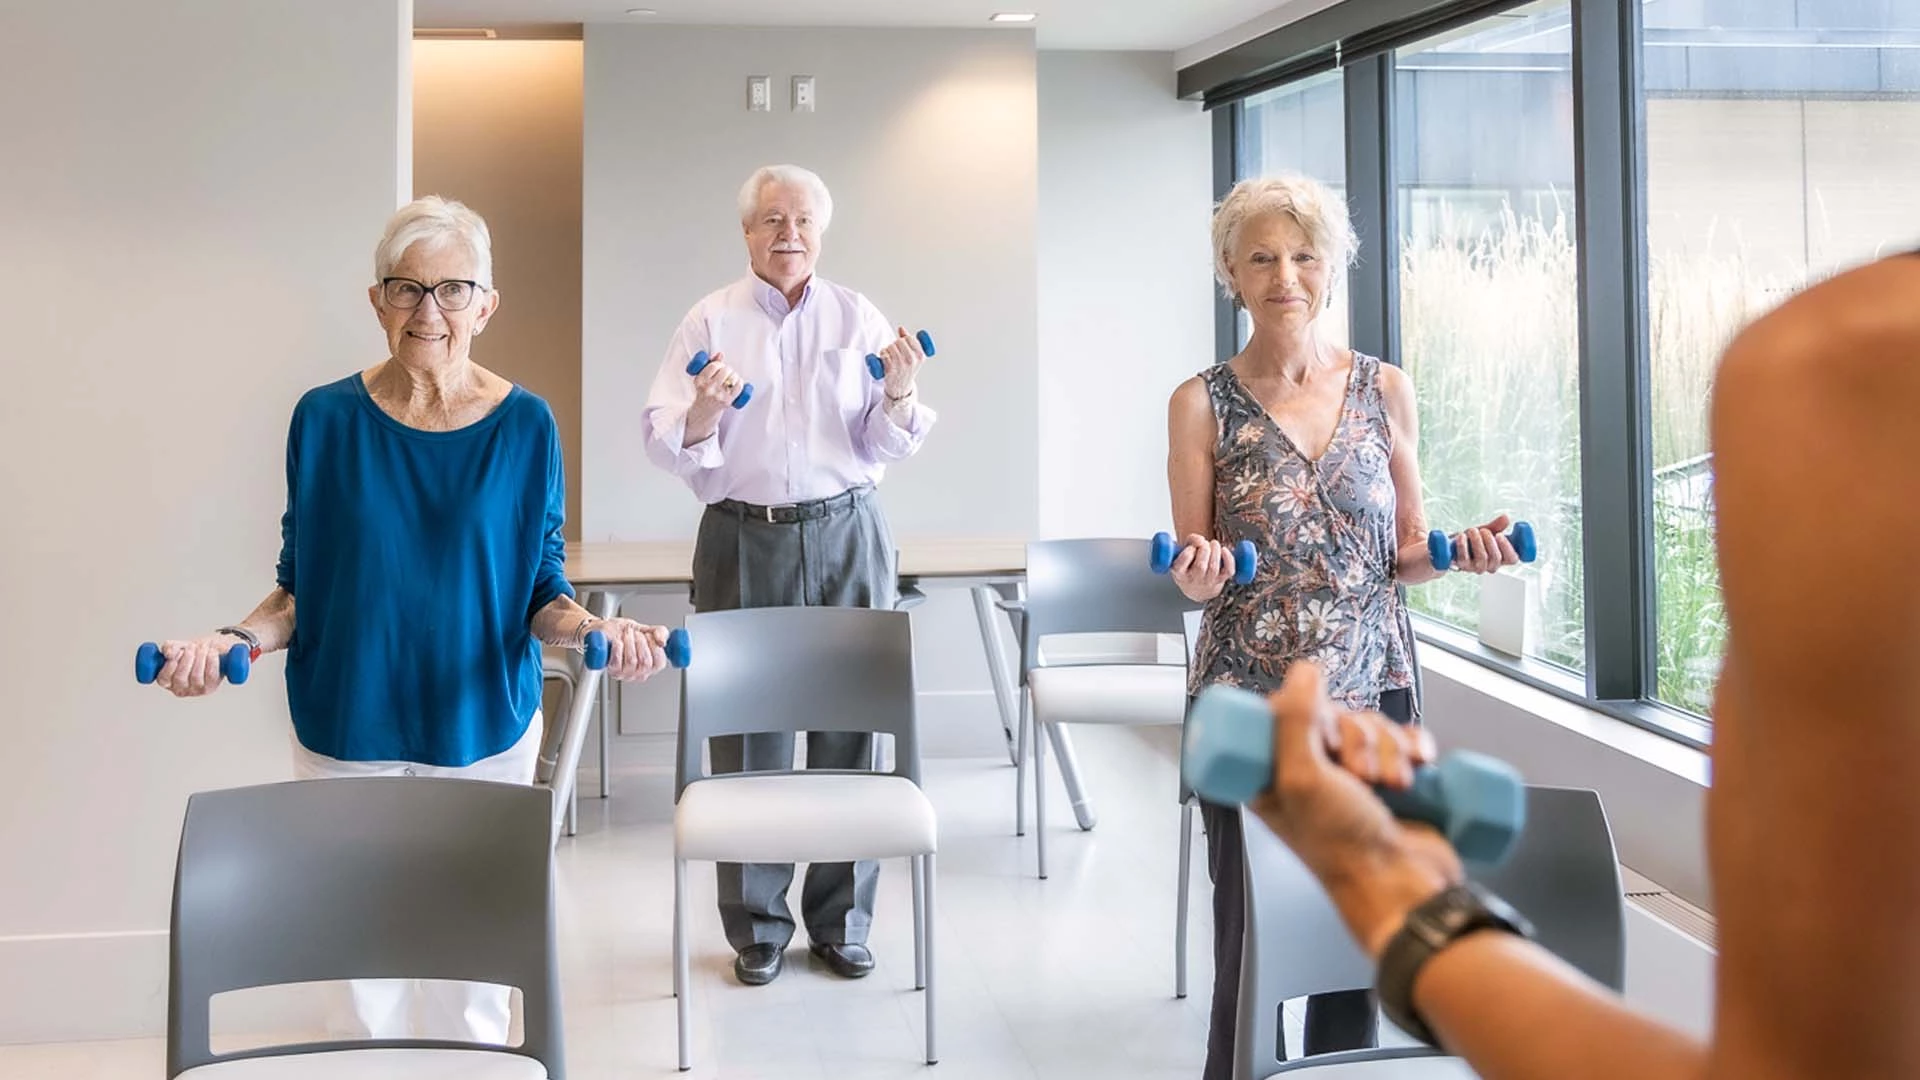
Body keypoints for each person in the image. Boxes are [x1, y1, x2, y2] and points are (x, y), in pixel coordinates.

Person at [1237, 251, 1920, 1078]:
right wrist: (1398, 896)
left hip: (1372, 672)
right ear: (1232, 273)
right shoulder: (1836, 361)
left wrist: (1397, 901)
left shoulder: (1845, 361)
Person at [145, 195, 674, 1043]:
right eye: (407, 288)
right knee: (358, 988)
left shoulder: (527, 425)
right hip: (345, 730)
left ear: (486, 306)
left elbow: (542, 588)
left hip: (483, 734)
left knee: (471, 982)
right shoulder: (322, 419)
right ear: (376, 301)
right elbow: (297, 587)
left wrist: (596, 633)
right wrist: (233, 641)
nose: (429, 312)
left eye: (453, 290)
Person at [1166, 173, 1518, 1079]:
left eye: (1304, 254)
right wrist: (1195, 573)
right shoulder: (1200, 402)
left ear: (1331, 268)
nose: (1286, 274)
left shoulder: (1384, 389)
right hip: (1247, 705)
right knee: (1249, 932)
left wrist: (1457, 554)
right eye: (1261, 258)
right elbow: (1199, 573)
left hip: (1374, 697)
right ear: (1231, 276)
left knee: (1358, 931)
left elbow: (1404, 552)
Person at [641, 164, 935, 987]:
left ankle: (842, 922)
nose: (788, 234)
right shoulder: (709, 318)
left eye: (802, 219)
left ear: (820, 231)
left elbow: (882, 442)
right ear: (747, 233)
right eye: (771, 219)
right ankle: (758, 927)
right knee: (748, 738)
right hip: (743, 535)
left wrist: (901, 392)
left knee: (853, 732)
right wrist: (704, 410)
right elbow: (665, 437)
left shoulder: (858, 316)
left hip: (848, 529)